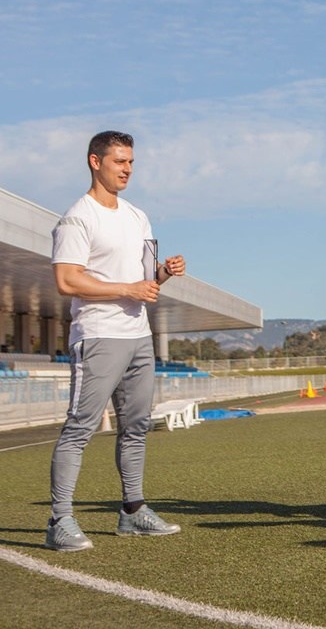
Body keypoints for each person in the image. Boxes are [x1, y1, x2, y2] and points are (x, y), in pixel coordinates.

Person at [46, 130, 186, 552]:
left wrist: (163, 274)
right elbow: (66, 280)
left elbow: (144, 280)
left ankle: (132, 512)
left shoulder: (137, 216)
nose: (127, 170)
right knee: (80, 429)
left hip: (138, 336)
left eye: (130, 163)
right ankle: (60, 520)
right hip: (98, 336)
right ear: (95, 161)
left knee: (137, 427)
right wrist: (127, 290)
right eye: (119, 162)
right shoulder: (77, 218)